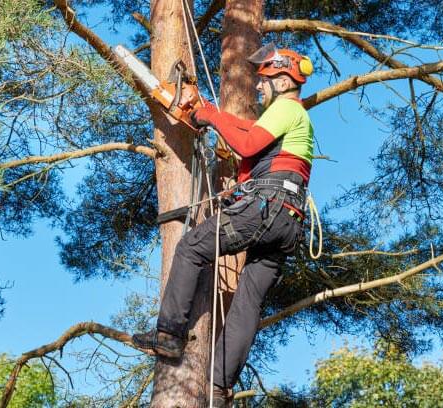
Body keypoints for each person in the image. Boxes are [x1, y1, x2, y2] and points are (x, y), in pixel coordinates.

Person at [133, 44, 314, 407]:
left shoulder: (286, 109)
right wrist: (210, 114)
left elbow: (247, 143)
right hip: (288, 223)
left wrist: (212, 117)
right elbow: (250, 135)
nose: (259, 88)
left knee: (191, 248)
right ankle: (218, 387)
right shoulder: (289, 121)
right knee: (248, 301)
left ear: (282, 80)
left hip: (268, 209)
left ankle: (169, 334)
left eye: (264, 81)